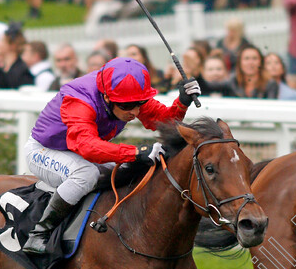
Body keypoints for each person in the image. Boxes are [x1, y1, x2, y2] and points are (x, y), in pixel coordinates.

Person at [21, 57, 202, 253]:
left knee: (132, 171)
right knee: (86, 174)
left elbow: (162, 121)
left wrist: (182, 103)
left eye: (139, 103)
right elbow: (87, 146)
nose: (134, 112)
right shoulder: (79, 100)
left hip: (78, 153)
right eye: (126, 106)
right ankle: (39, 234)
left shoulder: (126, 94)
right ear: (106, 97)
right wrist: (135, 152)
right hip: (44, 151)